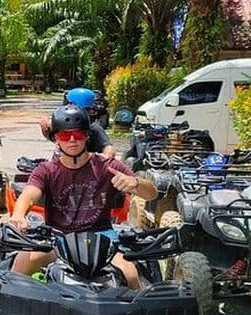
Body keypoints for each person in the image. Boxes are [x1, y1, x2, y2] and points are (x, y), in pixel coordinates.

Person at [9, 105, 158, 289]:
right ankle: (9, 314)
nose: (72, 140)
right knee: (21, 263)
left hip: (102, 238)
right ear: (56, 138)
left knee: (130, 274)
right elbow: (29, 194)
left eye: (78, 134)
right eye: (65, 135)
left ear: (87, 136)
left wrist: (135, 183)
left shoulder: (108, 166)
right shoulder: (46, 170)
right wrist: (18, 215)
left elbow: (152, 193)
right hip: (58, 238)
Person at [41, 88, 115, 158]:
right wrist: (45, 126)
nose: (72, 139)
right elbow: (52, 136)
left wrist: (104, 162)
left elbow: (108, 148)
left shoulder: (93, 128)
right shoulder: (63, 124)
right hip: (60, 167)